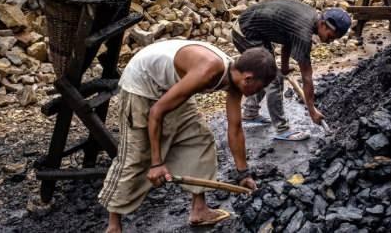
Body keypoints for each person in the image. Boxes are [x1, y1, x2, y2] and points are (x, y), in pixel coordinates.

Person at [98, 40, 277, 232]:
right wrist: (157, 163)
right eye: (258, 89)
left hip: (171, 85)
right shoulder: (209, 70)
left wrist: (244, 174)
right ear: (248, 78)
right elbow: (156, 112)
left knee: (199, 138)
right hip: (142, 86)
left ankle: (199, 210)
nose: (256, 94)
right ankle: (114, 224)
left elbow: (235, 128)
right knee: (136, 157)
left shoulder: (235, 81)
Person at [231, 0, 351, 141]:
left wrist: (285, 67)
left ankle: (250, 112)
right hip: (245, 32)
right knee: (272, 79)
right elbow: (307, 77)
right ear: (324, 25)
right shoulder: (303, 32)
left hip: (254, 28)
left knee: (269, 72)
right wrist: (312, 110)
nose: (329, 41)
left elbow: (287, 40)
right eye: (330, 36)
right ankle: (283, 130)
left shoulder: (312, 17)